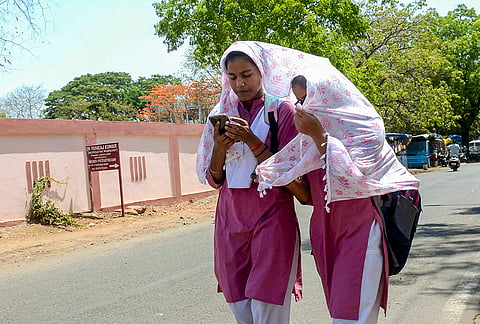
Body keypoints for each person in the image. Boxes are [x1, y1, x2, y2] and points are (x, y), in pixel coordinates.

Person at [252, 42, 420, 323]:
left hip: (361, 229)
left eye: (307, 100)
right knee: (341, 311)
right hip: (325, 232)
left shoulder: (365, 127)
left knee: (351, 317)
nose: (301, 108)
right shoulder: (306, 139)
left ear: (327, 97)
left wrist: (320, 137)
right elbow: (308, 196)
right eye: (298, 101)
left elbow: (356, 179)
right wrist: (279, 174)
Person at [195, 42, 305, 324]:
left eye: (247, 74)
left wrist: (251, 140)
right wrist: (220, 146)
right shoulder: (220, 113)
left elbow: (292, 170)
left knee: (267, 307)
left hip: (272, 215)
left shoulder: (281, 112)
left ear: (262, 72)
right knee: (240, 305)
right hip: (230, 220)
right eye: (232, 77)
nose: (240, 83)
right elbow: (214, 178)